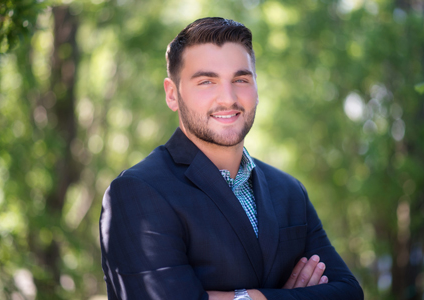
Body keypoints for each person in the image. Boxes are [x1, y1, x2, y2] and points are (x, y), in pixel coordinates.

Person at [99, 17, 363, 300]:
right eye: (206, 81)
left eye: (240, 79)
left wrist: (251, 297)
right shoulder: (137, 192)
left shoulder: (289, 191)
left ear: (256, 87)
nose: (228, 97)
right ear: (172, 94)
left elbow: (348, 292)